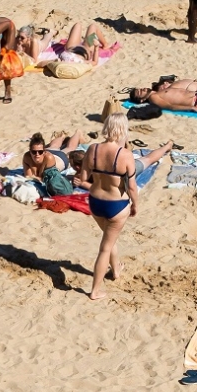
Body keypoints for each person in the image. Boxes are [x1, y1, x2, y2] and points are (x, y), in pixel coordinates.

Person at [78, 112, 137, 301]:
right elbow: (133, 187)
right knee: (105, 247)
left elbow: (84, 178)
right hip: (116, 205)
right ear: (122, 130)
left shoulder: (92, 149)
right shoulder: (125, 155)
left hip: (95, 202)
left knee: (109, 240)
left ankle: (116, 270)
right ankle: (95, 290)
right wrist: (135, 205)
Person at [17, 21, 108, 67]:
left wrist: (53, 61)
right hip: (85, 49)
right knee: (92, 27)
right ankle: (105, 44)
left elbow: (39, 63)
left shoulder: (61, 61)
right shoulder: (80, 63)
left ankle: (104, 44)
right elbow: (94, 62)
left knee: (78, 25)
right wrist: (96, 48)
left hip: (71, 47)